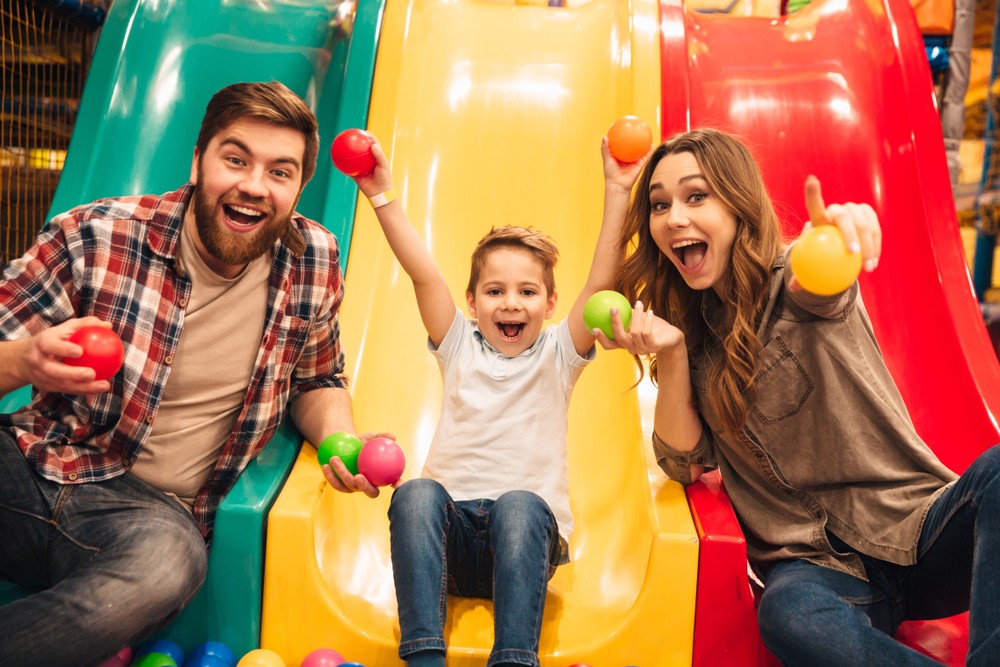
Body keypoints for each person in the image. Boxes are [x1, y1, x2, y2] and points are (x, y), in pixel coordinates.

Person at [0, 81, 370, 667]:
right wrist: (23, 360)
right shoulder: (99, 235)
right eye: (236, 159)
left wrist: (339, 442)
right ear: (198, 161)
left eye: (281, 171)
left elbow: (316, 380)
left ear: (300, 187)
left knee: (169, 568)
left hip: (148, 514)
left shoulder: (314, 261)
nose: (253, 186)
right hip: (31, 463)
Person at [599, 127, 999, 666]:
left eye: (697, 196)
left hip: (914, 531)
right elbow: (683, 462)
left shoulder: (793, 277)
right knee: (788, 616)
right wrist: (671, 359)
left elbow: (824, 284)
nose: (674, 218)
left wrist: (841, 237)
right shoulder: (691, 338)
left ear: (739, 204)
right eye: (660, 204)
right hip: (816, 570)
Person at [321, 134, 645, 667]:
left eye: (527, 291)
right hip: (448, 544)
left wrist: (617, 191)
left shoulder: (559, 353)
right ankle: (424, 654)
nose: (510, 303)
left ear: (551, 302)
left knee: (520, 504)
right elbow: (423, 271)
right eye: (494, 291)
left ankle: (514, 657)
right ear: (471, 302)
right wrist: (380, 194)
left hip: (524, 547)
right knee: (417, 493)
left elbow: (602, 280)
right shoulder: (458, 343)